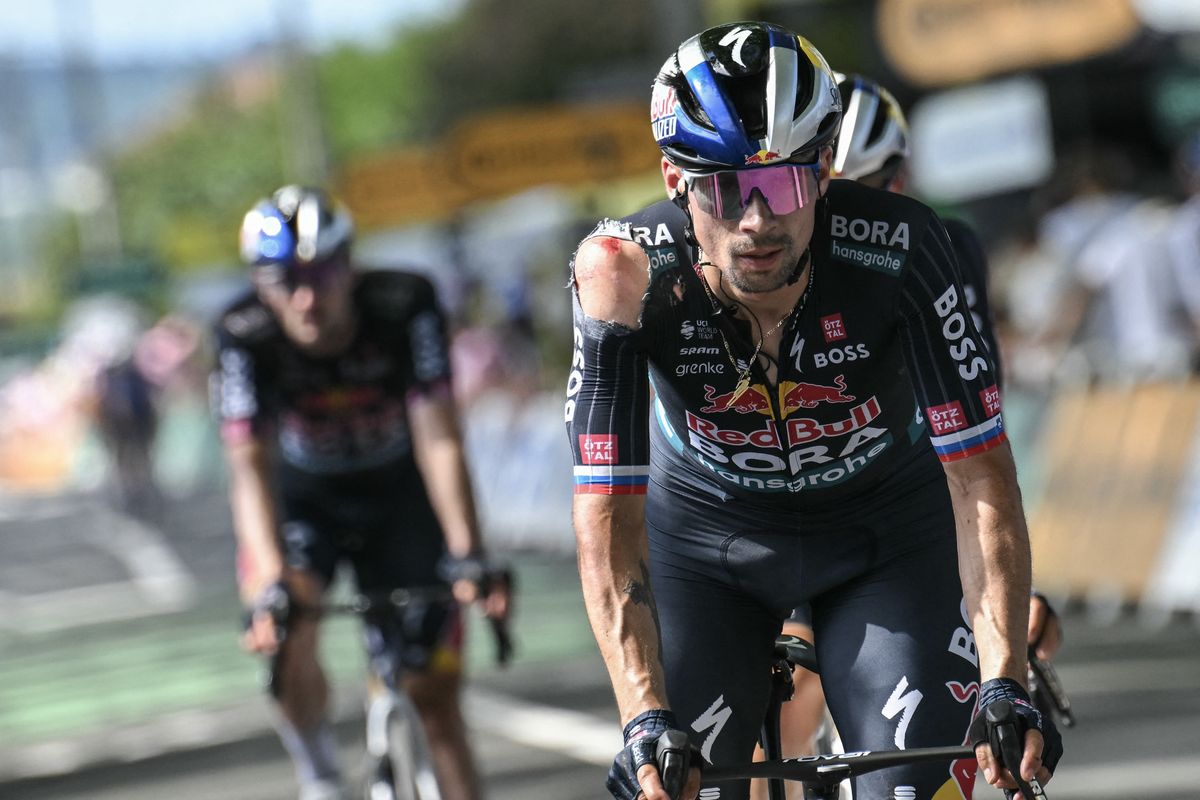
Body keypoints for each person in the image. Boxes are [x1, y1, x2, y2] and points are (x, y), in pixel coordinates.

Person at [565, 22, 1061, 800]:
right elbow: (606, 516)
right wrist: (642, 714)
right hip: (706, 552)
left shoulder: (902, 249)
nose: (757, 221)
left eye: (784, 186)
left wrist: (1004, 681)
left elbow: (981, 479)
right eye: (725, 190)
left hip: (886, 542)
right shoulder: (625, 271)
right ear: (674, 178)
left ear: (825, 169)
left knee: (916, 791)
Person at [748, 74, 1066, 797]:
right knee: (779, 723)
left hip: (912, 502)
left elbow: (984, 441)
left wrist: (1010, 596)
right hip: (791, 499)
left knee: (975, 734)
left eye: (875, 188)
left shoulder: (938, 246)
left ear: (903, 177)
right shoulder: (764, 263)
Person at [211, 185, 510, 800]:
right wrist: (268, 581)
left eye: (321, 274)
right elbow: (248, 465)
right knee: (284, 622)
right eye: (282, 279)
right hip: (306, 503)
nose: (305, 296)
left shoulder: (406, 303)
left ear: (349, 266)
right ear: (258, 283)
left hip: (400, 498)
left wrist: (468, 550)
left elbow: (440, 439)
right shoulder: (243, 331)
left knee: (436, 695)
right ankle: (319, 771)